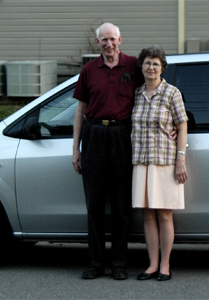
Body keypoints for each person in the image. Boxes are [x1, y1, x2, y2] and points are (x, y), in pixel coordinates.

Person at [72, 22, 142, 280]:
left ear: (120, 40)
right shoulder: (89, 70)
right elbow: (80, 110)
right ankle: (95, 263)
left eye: (112, 39)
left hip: (123, 136)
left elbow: (154, 94)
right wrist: (76, 149)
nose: (108, 44)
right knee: (95, 205)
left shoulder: (134, 66)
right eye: (104, 40)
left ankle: (120, 263)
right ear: (97, 42)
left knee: (122, 206)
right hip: (94, 136)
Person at [131, 45, 189, 282]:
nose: (151, 67)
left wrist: (180, 158)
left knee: (165, 214)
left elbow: (182, 125)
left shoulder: (171, 93)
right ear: (141, 67)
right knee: (147, 215)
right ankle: (152, 264)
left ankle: (165, 264)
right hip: (141, 161)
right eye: (147, 63)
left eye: (155, 63)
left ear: (162, 67)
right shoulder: (136, 94)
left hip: (165, 161)